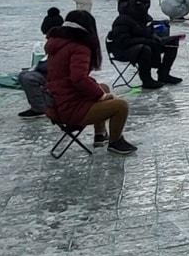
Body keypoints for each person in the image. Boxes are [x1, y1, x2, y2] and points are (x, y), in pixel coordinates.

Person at [44, 10, 137, 154]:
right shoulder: (79, 47)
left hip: (57, 100)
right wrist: (101, 96)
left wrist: (99, 92)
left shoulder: (57, 44)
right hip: (69, 107)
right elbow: (79, 79)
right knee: (121, 106)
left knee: (103, 87)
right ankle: (115, 141)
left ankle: (100, 135)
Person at [107, 0, 182, 88]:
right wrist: (147, 41)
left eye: (147, 4)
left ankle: (164, 74)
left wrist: (156, 37)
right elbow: (123, 42)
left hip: (145, 44)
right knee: (144, 49)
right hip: (123, 50)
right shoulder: (122, 20)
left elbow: (149, 32)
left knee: (172, 42)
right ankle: (146, 79)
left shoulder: (145, 17)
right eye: (141, 4)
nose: (145, 7)